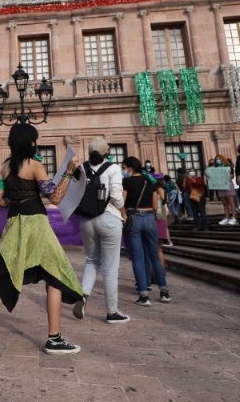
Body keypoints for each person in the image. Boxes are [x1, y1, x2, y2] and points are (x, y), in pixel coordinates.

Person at [0, 123, 84, 355]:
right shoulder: (35, 165)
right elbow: (55, 197)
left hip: (14, 223)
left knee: (12, 275)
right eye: (34, 140)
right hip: (36, 225)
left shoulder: (6, 167)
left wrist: (18, 200)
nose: (35, 143)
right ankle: (54, 338)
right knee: (56, 275)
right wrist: (68, 171)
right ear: (29, 142)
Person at [70, 137, 128, 324]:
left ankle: (83, 295)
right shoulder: (113, 168)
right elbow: (118, 200)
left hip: (86, 220)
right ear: (106, 153)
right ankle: (112, 311)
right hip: (109, 218)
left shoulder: (82, 168)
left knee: (91, 260)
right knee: (110, 268)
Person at [123, 157, 170, 306]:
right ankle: (164, 292)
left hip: (134, 218)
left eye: (124, 167)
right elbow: (156, 205)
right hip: (150, 218)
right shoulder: (150, 181)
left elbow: (121, 202)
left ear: (130, 168)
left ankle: (144, 295)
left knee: (138, 257)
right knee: (155, 255)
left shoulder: (127, 182)